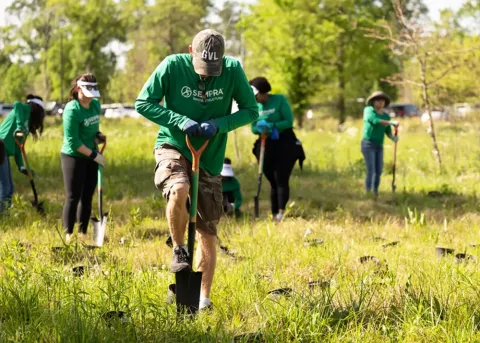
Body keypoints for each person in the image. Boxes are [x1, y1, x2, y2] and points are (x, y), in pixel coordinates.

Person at [135, 29, 258, 310]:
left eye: (212, 70)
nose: (206, 75)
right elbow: (143, 103)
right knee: (178, 188)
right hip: (174, 146)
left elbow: (251, 111)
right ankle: (179, 250)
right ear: (191, 51)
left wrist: (221, 124)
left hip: (210, 156)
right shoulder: (172, 66)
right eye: (202, 68)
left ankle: (201, 300)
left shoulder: (233, 69)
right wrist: (177, 119)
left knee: (207, 233)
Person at [250, 77, 305, 222]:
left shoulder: (279, 100)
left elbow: (288, 121)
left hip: (284, 143)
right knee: (272, 180)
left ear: (263, 93)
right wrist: (259, 129)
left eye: (256, 95)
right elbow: (253, 127)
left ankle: (281, 212)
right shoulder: (254, 106)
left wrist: (273, 126)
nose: (254, 98)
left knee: (281, 178)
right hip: (265, 144)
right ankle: (274, 213)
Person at [61, 73, 106, 243]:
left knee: (87, 196)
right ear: (78, 89)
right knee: (73, 196)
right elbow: (73, 142)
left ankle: (83, 233)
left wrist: (98, 136)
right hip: (73, 156)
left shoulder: (95, 105)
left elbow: (92, 129)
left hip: (91, 156)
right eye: (86, 94)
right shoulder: (72, 110)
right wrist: (95, 155)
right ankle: (68, 236)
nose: (89, 98)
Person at [0, 94, 45, 213]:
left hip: (4, 151)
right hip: (0, 145)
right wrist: (19, 126)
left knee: (9, 188)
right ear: (37, 109)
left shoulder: (28, 123)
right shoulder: (25, 109)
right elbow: (17, 104)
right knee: (5, 187)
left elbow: (18, 148)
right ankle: (3, 216)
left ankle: (5, 214)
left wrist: (22, 167)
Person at [361, 91, 399, 198]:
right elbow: (374, 120)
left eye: (382, 100)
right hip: (368, 144)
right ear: (373, 101)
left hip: (379, 146)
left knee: (378, 170)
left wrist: (392, 137)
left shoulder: (386, 116)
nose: (380, 102)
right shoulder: (369, 110)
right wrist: (390, 123)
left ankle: (375, 191)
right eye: (378, 100)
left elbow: (387, 130)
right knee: (371, 169)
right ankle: (368, 191)